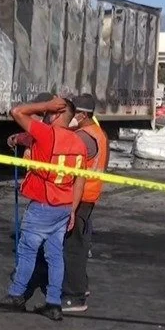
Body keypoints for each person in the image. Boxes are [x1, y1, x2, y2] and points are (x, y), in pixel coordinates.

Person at [0, 95, 87, 321]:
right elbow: (80, 179)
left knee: (27, 250)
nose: (45, 113)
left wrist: (43, 106)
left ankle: (16, 296)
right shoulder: (78, 142)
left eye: (51, 109)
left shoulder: (48, 133)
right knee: (54, 255)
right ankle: (53, 302)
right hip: (63, 205)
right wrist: (72, 209)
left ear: (57, 112)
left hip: (43, 205)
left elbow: (17, 112)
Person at [62, 93, 109, 312]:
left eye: (72, 113)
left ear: (81, 115)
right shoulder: (98, 133)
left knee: (73, 248)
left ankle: (75, 296)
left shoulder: (83, 137)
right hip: (90, 196)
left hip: (79, 198)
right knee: (79, 245)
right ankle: (82, 285)